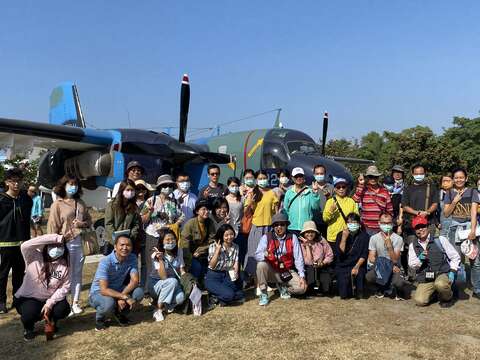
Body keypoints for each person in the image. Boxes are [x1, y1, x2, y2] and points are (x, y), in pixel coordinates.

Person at [14, 233, 72, 341]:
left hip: (49, 298)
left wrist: (50, 304)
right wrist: (57, 238)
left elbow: (65, 287)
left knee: (63, 309)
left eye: (60, 246)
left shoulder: (65, 264)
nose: (56, 249)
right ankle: (28, 327)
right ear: (46, 245)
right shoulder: (33, 256)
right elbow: (25, 245)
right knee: (29, 314)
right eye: (52, 245)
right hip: (29, 298)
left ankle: (51, 321)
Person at [47, 174, 91, 315]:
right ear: (64, 185)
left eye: (76, 184)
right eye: (70, 184)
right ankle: (62, 303)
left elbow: (89, 221)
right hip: (64, 243)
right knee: (63, 275)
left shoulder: (81, 202)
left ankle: (76, 302)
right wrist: (53, 244)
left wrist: (82, 224)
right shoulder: (57, 204)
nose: (74, 187)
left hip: (80, 242)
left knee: (77, 273)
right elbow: (52, 226)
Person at [89, 235, 144, 330]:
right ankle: (100, 318)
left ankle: (120, 314)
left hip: (118, 289)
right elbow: (104, 290)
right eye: (122, 245)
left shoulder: (132, 258)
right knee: (108, 303)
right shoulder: (105, 262)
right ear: (115, 246)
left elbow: (135, 280)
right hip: (98, 293)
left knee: (138, 292)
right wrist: (124, 297)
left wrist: (121, 297)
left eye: (128, 245)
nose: (125, 248)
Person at [141, 174, 184, 287]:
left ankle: (166, 284)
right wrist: (150, 212)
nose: (168, 188)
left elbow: (181, 216)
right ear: (159, 187)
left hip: (168, 237)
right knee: (151, 261)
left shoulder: (174, 201)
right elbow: (143, 220)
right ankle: (150, 287)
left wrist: (175, 224)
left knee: (166, 261)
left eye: (170, 185)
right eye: (165, 185)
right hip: (153, 235)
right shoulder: (151, 200)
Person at [0, 168, 33, 314]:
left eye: (19, 181)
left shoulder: (26, 199)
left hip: (22, 244)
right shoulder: (1, 199)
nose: (16, 184)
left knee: (20, 273)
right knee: (3, 274)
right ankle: (1, 301)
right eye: (13, 181)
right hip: (5, 244)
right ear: (7, 182)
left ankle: (17, 298)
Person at [408, 215, 460, 307]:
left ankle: (448, 297)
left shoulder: (440, 240)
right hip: (426, 277)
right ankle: (435, 293)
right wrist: (420, 259)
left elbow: (455, 257)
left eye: (423, 226)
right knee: (420, 301)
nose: (420, 230)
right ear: (414, 231)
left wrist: (452, 271)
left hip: (442, 273)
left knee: (440, 284)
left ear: (428, 227)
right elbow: (412, 264)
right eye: (417, 228)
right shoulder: (413, 245)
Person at [255, 213, 307, 306]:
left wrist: (302, 276)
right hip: (272, 270)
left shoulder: (293, 237)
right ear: (273, 226)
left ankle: (283, 287)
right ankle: (263, 293)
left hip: (287, 270)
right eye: (276, 225)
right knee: (261, 265)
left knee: (302, 288)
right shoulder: (266, 237)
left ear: (286, 225)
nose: (279, 227)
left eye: (282, 224)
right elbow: (257, 254)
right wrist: (266, 255)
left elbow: (298, 257)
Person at [244, 170, 279, 280]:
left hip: (269, 227)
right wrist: (250, 203)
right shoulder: (252, 193)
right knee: (255, 253)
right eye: (260, 179)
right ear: (256, 180)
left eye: (264, 178)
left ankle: (266, 279)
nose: (262, 180)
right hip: (257, 227)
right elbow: (246, 212)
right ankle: (256, 282)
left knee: (269, 254)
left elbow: (276, 212)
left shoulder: (272, 193)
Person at [366, 213, 408, 300]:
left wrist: (389, 246)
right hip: (381, 266)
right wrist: (386, 266)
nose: (386, 225)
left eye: (389, 223)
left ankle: (398, 290)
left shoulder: (398, 239)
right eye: (384, 223)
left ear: (392, 224)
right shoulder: (374, 238)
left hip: (395, 268)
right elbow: (371, 257)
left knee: (399, 282)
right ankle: (381, 288)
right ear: (379, 223)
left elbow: (395, 260)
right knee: (369, 276)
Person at [149, 229, 186, 321]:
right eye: (167, 240)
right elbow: (163, 277)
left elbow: (181, 270)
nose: (171, 242)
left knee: (181, 298)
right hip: (156, 284)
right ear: (162, 242)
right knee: (172, 281)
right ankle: (159, 309)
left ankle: (160, 302)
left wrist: (187, 280)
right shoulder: (155, 255)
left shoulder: (179, 251)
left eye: (173, 239)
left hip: (172, 283)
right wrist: (161, 260)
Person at [205, 224, 244, 306]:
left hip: (227, 275)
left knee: (241, 293)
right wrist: (217, 251)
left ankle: (217, 297)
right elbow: (211, 265)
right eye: (226, 235)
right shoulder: (214, 246)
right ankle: (219, 297)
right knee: (230, 295)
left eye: (231, 234)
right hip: (213, 276)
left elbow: (236, 262)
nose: (229, 237)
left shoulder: (236, 246)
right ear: (221, 236)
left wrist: (236, 271)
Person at [334, 213, 369, 300]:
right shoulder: (340, 235)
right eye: (349, 223)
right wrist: (344, 239)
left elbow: (364, 254)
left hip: (358, 264)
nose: (352, 224)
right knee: (344, 294)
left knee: (359, 292)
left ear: (358, 223)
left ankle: (359, 289)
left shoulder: (365, 236)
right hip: (343, 264)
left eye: (354, 222)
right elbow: (339, 253)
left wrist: (356, 267)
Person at [180, 200, 216, 284]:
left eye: (208, 209)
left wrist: (201, 250)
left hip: (205, 253)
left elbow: (213, 240)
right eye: (203, 209)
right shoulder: (190, 224)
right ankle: (193, 285)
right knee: (196, 267)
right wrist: (190, 258)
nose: (206, 212)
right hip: (190, 254)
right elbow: (184, 244)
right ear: (197, 211)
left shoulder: (210, 222)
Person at [353, 165, 393, 235]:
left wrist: (387, 225)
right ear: (367, 178)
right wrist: (361, 184)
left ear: (378, 178)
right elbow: (355, 199)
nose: (373, 179)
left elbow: (390, 210)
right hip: (366, 228)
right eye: (371, 177)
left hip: (381, 228)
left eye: (375, 177)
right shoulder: (363, 189)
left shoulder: (384, 191)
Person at [443, 168, 475, 252]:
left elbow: (474, 213)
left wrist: (473, 231)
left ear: (466, 178)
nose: (459, 180)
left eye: (461, 177)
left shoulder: (472, 191)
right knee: (457, 258)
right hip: (455, 228)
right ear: (453, 179)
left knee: (474, 259)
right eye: (456, 178)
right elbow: (446, 214)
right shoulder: (449, 193)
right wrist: (454, 201)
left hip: (470, 227)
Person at [298, 221, 334, 296]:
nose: (310, 234)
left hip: (322, 267)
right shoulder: (301, 245)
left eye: (312, 232)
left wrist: (323, 262)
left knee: (326, 288)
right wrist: (307, 246)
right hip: (308, 268)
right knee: (310, 272)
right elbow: (309, 262)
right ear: (304, 234)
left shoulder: (321, 241)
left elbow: (330, 255)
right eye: (307, 232)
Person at [104, 180, 141, 252]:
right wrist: (116, 240)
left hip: (128, 243)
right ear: (122, 190)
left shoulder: (134, 207)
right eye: (128, 190)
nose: (130, 192)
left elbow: (136, 224)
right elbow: (108, 224)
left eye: (132, 190)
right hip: (113, 243)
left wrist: (131, 237)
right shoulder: (112, 205)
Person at [283, 167, 321, 234]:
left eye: (300, 176)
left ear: (304, 177)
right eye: (296, 176)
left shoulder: (310, 191)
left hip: (307, 228)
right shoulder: (289, 192)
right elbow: (286, 210)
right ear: (292, 178)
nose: (298, 178)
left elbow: (315, 207)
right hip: (291, 228)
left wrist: (315, 193)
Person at [323, 178, 359, 245]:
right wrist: (331, 211)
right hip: (333, 237)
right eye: (338, 187)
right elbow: (325, 219)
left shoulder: (351, 202)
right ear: (335, 189)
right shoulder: (330, 201)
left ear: (346, 188)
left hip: (349, 236)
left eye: (343, 187)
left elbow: (356, 217)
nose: (341, 189)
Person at [225, 177, 246, 265]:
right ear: (228, 186)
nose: (234, 187)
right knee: (229, 252)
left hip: (240, 229)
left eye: (236, 185)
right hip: (228, 229)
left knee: (240, 253)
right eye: (232, 185)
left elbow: (246, 212)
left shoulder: (242, 199)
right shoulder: (224, 199)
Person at [312, 164, 333, 237]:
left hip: (328, 222)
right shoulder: (309, 188)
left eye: (321, 173)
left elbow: (335, 204)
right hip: (314, 222)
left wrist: (329, 197)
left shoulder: (331, 187)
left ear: (325, 174)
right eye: (317, 174)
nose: (319, 175)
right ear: (314, 175)